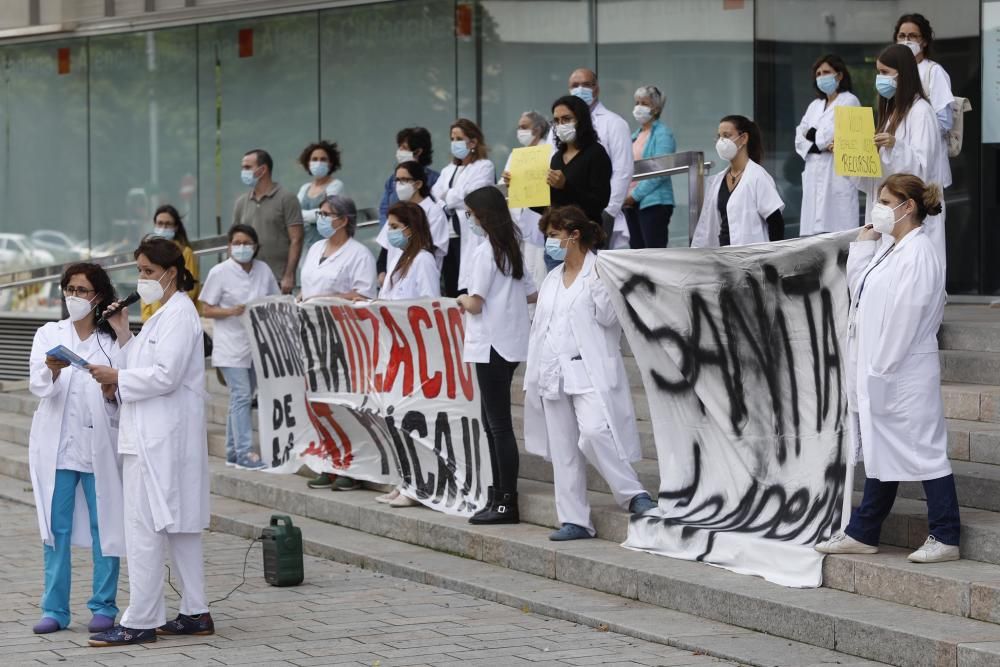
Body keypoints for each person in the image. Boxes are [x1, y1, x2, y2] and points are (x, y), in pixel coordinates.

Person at [815, 173, 958, 563]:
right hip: (880, 369)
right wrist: (863, 247)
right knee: (882, 447)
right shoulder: (891, 248)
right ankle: (864, 530)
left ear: (906, 206)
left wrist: (882, 368)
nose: (878, 208)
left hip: (903, 370)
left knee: (925, 449)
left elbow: (906, 318)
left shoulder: (920, 253)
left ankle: (945, 535)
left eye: (884, 200)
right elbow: (860, 292)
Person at [86, 237, 212, 646]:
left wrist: (117, 378)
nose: (141, 279)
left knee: (144, 527)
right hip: (154, 434)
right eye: (138, 271)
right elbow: (147, 364)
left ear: (171, 273)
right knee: (178, 527)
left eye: (147, 271)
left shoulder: (180, 315)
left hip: (159, 439)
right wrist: (123, 333)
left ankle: (140, 619)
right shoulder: (163, 314)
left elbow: (166, 375)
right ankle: (195, 611)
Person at [524, 206, 657, 541]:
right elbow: (541, 327)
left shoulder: (601, 270)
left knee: (595, 433)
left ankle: (632, 494)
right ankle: (575, 520)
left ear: (574, 234)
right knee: (564, 448)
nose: (549, 243)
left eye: (554, 236)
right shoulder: (552, 278)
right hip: (553, 371)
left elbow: (610, 318)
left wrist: (600, 283)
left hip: (588, 369)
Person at [27, 263, 125, 635]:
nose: (74, 297)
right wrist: (51, 369)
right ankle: (54, 609)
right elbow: (39, 384)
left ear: (98, 296)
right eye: (69, 289)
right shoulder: (49, 333)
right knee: (55, 529)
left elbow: (123, 392)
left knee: (106, 528)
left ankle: (104, 605)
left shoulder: (111, 341)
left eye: (82, 290)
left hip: (99, 447)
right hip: (59, 448)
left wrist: (111, 390)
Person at [457, 186, 537, 525]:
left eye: (471, 214)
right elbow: (531, 293)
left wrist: (458, 299)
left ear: (483, 215)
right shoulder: (511, 248)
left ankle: (505, 501)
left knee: (497, 426)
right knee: (495, 425)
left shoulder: (485, 251)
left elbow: (475, 302)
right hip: (509, 343)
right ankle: (498, 496)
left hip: (490, 345)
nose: (469, 220)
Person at [299, 195, 377, 492]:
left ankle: (353, 467)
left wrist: (327, 299)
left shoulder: (359, 254)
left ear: (344, 220)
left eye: (326, 213)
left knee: (344, 403)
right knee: (317, 402)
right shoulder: (316, 248)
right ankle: (330, 463)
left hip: (343, 337)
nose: (321, 218)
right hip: (311, 333)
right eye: (319, 213)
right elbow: (308, 287)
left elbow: (363, 297)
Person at [374, 202, 442, 508]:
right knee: (395, 416)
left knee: (412, 417)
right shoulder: (399, 258)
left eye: (393, 227)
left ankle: (418, 484)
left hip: (415, 349)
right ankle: (404, 479)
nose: (389, 232)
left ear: (410, 229)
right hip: (393, 348)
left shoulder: (424, 260)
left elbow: (429, 305)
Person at [854, 44, 946, 266]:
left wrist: (896, 147)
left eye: (885, 72)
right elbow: (876, 175)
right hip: (890, 214)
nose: (880, 78)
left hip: (909, 216)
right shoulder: (890, 114)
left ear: (902, 74)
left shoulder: (922, 112)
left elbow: (922, 171)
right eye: (878, 72)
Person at [199, 224, 279, 470]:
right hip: (230, 345)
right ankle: (244, 451)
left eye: (247, 243)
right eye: (237, 243)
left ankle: (233, 452)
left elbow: (274, 298)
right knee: (242, 395)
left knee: (241, 398)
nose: (242, 248)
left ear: (255, 246)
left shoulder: (263, 270)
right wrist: (230, 311)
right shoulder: (220, 272)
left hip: (256, 345)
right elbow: (206, 308)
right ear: (229, 246)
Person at [691, 115, 785, 247]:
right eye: (719, 136)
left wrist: (773, 259)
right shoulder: (718, 181)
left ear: (744, 138)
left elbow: (776, 222)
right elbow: (710, 226)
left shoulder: (757, 176)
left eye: (727, 135)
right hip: (723, 257)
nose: (721, 141)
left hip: (751, 258)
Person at [566, 67, 633, 249]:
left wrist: (609, 211)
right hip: (565, 216)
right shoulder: (560, 127)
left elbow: (623, 170)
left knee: (596, 269)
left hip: (598, 214)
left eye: (586, 84)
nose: (580, 89)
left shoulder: (614, 123)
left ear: (597, 89)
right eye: (575, 85)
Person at [795, 54, 861, 235]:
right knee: (813, 241)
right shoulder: (814, 105)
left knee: (839, 237)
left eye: (826, 72)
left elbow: (831, 134)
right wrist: (819, 140)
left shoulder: (850, 101)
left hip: (837, 174)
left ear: (839, 76)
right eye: (818, 73)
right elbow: (799, 137)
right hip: (813, 171)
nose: (821, 77)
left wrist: (814, 136)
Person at [431, 119, 496, 297]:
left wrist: (448, 196)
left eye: (459, 138)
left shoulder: (484, 166)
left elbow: (471, 195)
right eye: (452, 138)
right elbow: (436, 194)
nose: (454, 143)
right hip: (448, 233)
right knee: (450, 283)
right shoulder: (448, 170)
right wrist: (451, 197)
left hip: (469, 232)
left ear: (473, 142)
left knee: (469, 283)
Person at [232, 148, 304, 294]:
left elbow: (296, 239)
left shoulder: (286, 199)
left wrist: (289, 275)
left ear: (262, 169)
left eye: (247, 167)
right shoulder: (241, 202)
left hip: (277, 279)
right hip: (247, 280)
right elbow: (233, 240)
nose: (243, 172)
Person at [501, 110, 554, 287]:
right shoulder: (516, 156)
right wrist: (507, 181)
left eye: (524, 127)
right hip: (517, 219)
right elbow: (503, 184)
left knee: (539, 267)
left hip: (539, 217)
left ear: (538, 129)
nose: (520, 131)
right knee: (523, 269)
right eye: (519, 127)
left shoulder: (549, 151)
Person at [376, 160, 449, 286]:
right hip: (392, 282)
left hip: (419, 281)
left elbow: (431, 247)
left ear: (418, 184)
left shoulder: (433, 212)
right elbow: (385, 248)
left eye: (404, 180)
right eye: (397, 180)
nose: (399, 184)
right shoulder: (397, 210)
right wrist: (382, 273)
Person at [545, 95, 612, 230]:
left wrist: (565, 186)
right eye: (557, 121)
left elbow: (599, 202)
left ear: (581, 120)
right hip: (557, 233)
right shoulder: (556, 158)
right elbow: (549, 205)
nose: (561, 125)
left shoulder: (596, 153)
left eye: (567, 119)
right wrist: (520, 187)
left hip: (584, 234)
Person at [623, 85, 677, 248]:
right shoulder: (634, 135)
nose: (639, 107)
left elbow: (661, 171)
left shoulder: (663, 134)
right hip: (631, 204)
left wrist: (634, 196)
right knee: (637, 254)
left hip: (654, 202)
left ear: (656, 107)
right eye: (637, 102)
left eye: (644, 103)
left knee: (654, 254)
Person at [142, 205, 200, 321]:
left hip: (178, 316)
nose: (163, 227)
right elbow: (145, 287)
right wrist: (147, 318)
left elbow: (190, 289)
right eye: (160, 223)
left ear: (176, 227)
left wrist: (171, 311)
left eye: (168, 224)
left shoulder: (185, 252)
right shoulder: (148, 253)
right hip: (153, 318)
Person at [379, 127, 440, 226]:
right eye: (399, 147)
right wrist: (388, 230)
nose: (399, 151)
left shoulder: (435, 180)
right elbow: (384, 210)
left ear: (418, 152)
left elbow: (437, 212)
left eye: (404, 148)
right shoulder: (392, 180)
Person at [296, 140, 345, 249]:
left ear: (330, 163)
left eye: (323, 159)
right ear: (308, 163)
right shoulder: (305, 188)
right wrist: (312, 215)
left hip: (328, 245)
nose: (318, 163)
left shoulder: (336, 185)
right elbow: (293, 213)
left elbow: (327, 214)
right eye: (314, 159)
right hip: (304, 247)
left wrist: (301, 215)